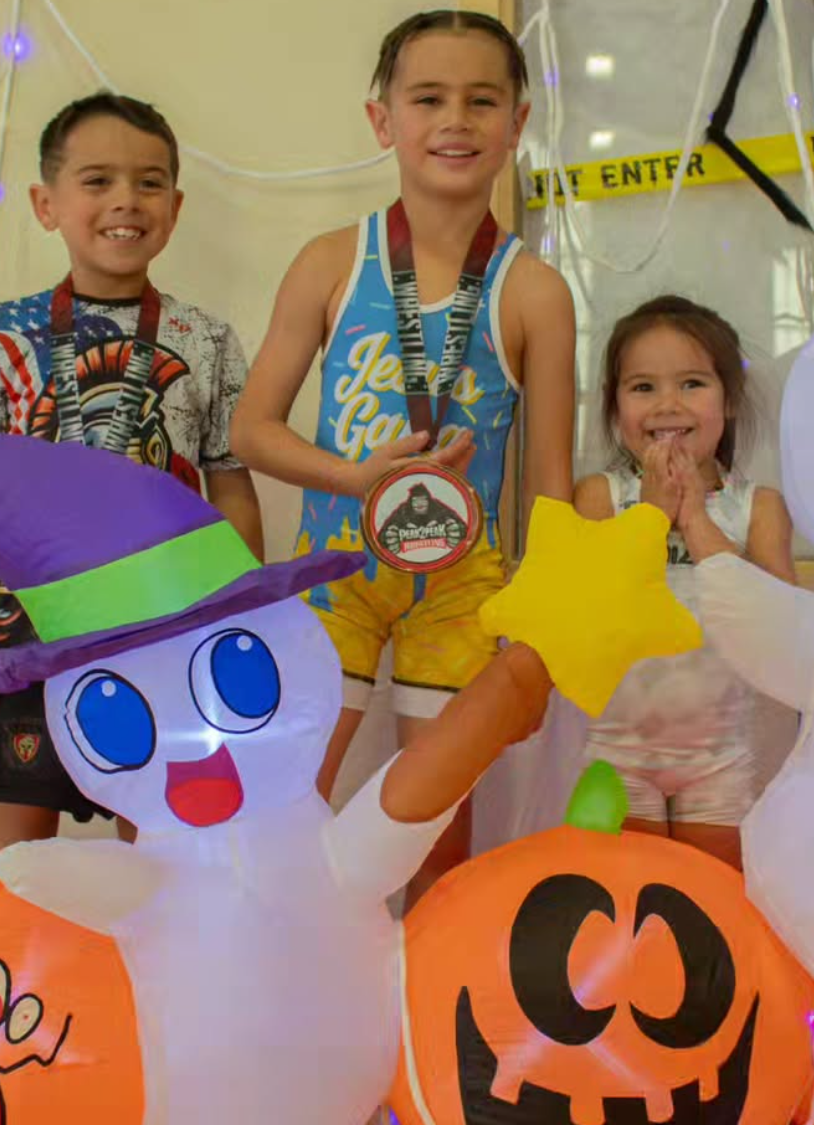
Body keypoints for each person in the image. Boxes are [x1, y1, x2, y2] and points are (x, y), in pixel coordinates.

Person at [231, 9, 575, 903]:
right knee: (283, 804)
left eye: (481, 100)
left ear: (517, 123)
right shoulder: (330, 262)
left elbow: (549, 484)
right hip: (335, 567)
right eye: (429, 98)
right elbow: (252, 430)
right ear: (384, 119)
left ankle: (423, 1008)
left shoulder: (533, 289)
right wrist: (352, 477)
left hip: (462, 585)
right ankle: (289, 993)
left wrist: (543, 620)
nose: (455, 120)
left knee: (432, 832)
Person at [0, 92, 263, 846]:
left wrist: (239, 608)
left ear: (175, 208)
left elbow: (232, 483)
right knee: (18, 860)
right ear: (45, 204)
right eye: (97, 180)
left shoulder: (205, 339)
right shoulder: (6, 335)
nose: (126, 200)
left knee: (162, 842)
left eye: (149, 182)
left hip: (164, 631)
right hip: (27, 636)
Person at [574, 295, 795, 869]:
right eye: (642, 387)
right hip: (618, 753)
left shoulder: (759, 507)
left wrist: (696, 520)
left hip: (722, 757)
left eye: (692, 384)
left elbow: (779, 633)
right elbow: (591, 620)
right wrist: (649, 516)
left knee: (714, 911)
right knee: (627, 905)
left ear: (729, 399)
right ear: (614, 405)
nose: (667, 405)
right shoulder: (601, 497)